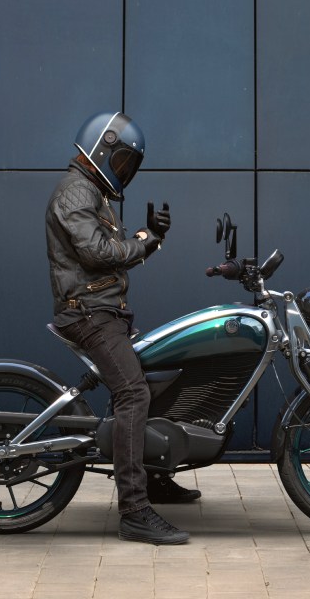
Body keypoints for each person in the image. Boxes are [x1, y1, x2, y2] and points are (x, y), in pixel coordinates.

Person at [45, 112, 199, 545]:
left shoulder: (90, 191)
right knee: (133, 392)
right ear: (102, 148)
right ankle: (134, 511)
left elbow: (105, 248)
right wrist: (146, 243)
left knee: (158, 380)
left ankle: (154, 479)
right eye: (123, 160)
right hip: (88, 313)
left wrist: (149, 237)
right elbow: (96, 252)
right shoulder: (76, 190)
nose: (125, 170)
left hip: (104, 310)